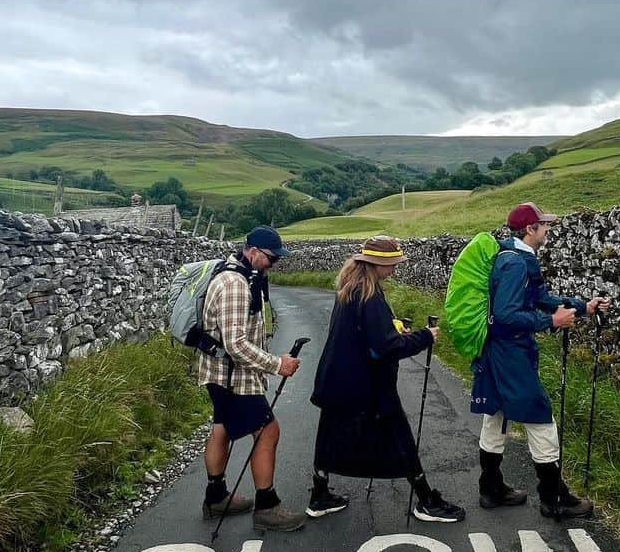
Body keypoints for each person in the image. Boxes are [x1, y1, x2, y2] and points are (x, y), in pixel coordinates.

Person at [309, 235, 466, 523]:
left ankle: (319, 495)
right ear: (378, 263)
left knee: (330, 434)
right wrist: (423, 337)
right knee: (399, 434)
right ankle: (426, 501)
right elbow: (384, 348)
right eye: (392, 263)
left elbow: (368, 336)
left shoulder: (350, 288)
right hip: (366, 385)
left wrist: (393, 330)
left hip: (337, 379)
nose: (395, 268)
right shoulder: (370, 296)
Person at [471, 202, 610, 519]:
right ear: (530, 230)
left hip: (495, 353)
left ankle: (490, 489)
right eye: (544, 225)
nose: (548, 229)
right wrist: (550, 323)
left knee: (496, 415)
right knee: (540, 418)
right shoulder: (516, 265)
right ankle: (554, 499)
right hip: (510, 353)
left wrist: (582, 307)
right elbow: (504, 315)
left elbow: (540, 299)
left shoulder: (513, 257)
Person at [197, 224, 305, 532]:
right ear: (253, 252)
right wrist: (276, 364)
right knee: (268, 431)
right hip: (234, 377)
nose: (275, 264)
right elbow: (235, 344)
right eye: (272, 258)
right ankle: (267, 507)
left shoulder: (241, 275)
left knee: (222, 428)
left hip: (219, 374)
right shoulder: (234, 284)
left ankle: (216, 496)